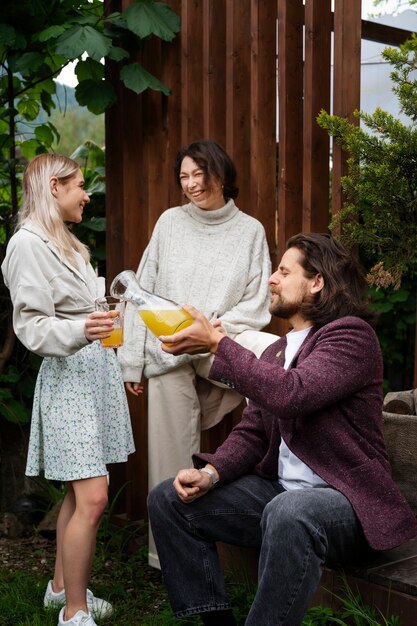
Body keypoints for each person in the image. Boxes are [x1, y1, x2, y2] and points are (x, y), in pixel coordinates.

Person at [147, 232, 417, 626]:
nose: (271, 279)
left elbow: (294, 394)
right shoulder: (277, 350)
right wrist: (209, 474)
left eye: (283, 271)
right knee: (168, 500)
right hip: (281, 498)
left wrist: (219, 344)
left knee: (290, 510)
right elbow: (254, 431)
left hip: (347, 503)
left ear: (317, 281)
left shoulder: (351, 336)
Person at [118, 139, 274, 568]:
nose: (190, 184)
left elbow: (255, 302)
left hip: (216, 343)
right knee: (167, 446)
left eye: (198, 174)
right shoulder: (169, 222)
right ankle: (167, 559)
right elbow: (140, 292)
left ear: (220, 174)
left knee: (266, 361)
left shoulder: (250, 231)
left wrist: (212, 330)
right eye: (183, 177)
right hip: (168, 350)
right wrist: (133, 361)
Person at [1, 154, 135, 626]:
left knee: (80, 495)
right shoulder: (26, 246)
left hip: (93, 371)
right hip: (68, 376)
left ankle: (60, 589)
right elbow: (32, 327)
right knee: (94, 497)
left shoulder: (70, 243)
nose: (87, 193)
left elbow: (78, 309)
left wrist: (103, 313)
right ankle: (74, 614)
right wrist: (85, 326)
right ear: (54, 186)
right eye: (80, 185)